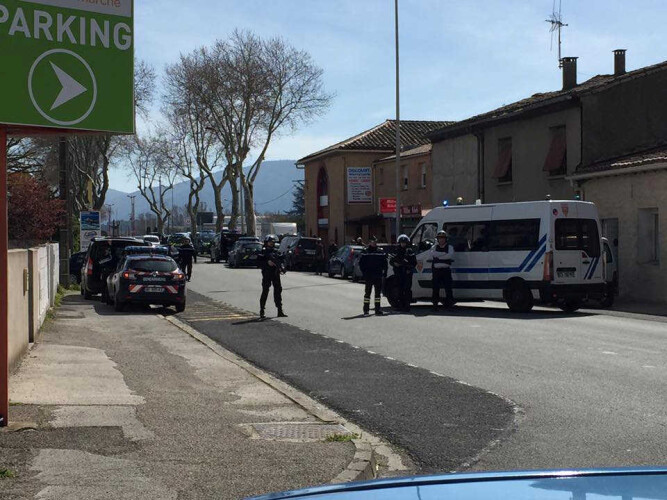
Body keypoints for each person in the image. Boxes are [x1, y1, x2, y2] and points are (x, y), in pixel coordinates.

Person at [256, 234, 287, 319]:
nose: (271, 244)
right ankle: (262, 310)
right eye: (270, 242)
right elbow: (258, 263)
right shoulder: (263, 252)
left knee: (278, 291)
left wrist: (282, 267)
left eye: (273, 242)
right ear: (266, 242)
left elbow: (281, 261)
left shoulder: (275, 251)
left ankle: (280, 310)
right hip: (266, 274)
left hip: (275, 273)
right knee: (265, 291)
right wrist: (267, 263)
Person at [359, 236, 387, 316]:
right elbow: (361, 264)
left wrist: (384, 272)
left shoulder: (380, 251)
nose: (374, 243)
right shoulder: (365, 251)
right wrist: (364, 273)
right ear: (369, 242)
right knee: (367, 293)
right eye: (372, 241)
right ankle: (366, 310)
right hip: (369, 275)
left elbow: (384, 263)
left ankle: (377, 310)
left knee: (377, 294)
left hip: (378, 275)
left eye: (375, 241)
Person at [390, 234, 417, 312]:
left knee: (407, 289)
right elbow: (391, 260)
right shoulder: (396, 250)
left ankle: (407, 305)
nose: (403, 244)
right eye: (402, 242)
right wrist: (395, 264)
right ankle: (400, 305)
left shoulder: (409, 251)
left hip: (407, 273)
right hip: (398, 273)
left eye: (404, 242)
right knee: (399, 289)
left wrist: (409, 268)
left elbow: (414, 262)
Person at [430, 230, 455, 310]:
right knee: (435, 289)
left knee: (448, 288)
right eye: (440, 238)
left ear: (446, 239)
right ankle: (435, 305)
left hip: (446, 271)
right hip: (436, 271)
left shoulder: (450, 247)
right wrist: (444, 254)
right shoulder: (434, 247)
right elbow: (432, 254)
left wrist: (439, 256)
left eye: (443, 238)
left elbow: (449, 256)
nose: (441, 239)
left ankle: (449, 305)